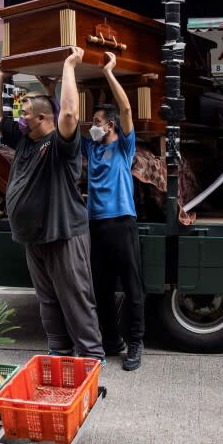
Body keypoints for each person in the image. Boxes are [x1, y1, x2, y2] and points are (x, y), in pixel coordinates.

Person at [0, 47, 104, 363]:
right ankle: (59, 350)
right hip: (34, 236)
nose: (19, 119)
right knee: (48, 299)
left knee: (75, 298)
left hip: (63, 233)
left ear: (41, 118)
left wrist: (69, 66)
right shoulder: (25, 139)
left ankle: (91, 356)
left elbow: (68, 114)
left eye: (25, 114)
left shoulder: (60, 144)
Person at [82, 52, 145, 371]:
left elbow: (126, 108)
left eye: (96, 123)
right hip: (96, 226)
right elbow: (63, 114)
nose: (91, 127)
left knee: (132, 289)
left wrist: (109, 71)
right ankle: (111, 340)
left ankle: (135, 343)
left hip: (122, 224)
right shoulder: (92, 147)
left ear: (111, 126)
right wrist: (50, 82)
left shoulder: (124, 145)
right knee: (101, 290)